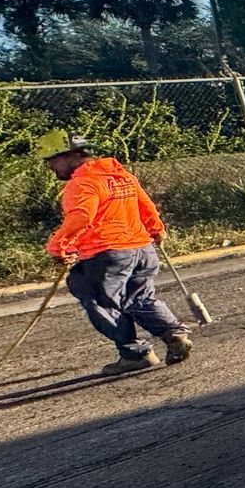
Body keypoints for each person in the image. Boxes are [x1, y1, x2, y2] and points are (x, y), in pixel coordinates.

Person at [35, 129, 193, 375]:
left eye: (52, 161)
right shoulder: (120, 176)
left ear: (70, 155)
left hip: (108, 255)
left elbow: (82, 217)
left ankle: (135, 354)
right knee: (139, 298)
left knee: (99, 300)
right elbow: (145, 205)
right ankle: (173, 333)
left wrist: (58, 246)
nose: (51, 168)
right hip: (142, 250)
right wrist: (156, 230)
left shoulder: (83, 182)